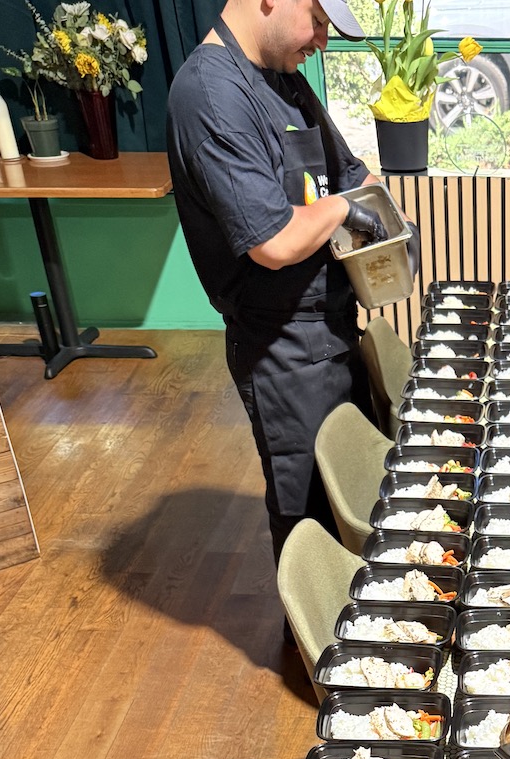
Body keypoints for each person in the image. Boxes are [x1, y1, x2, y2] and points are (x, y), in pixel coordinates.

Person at [166, 0, 417, 595]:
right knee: (309, 510)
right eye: (319, 21)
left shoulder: (284, 79)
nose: (322, 42)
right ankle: (314, 639)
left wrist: (384, 214)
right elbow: (273, 242)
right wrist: (339, 210)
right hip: (282, 347)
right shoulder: (210, 94)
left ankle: (365, 618)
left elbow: (351, 172)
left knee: (354, 490)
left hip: (333, 328)